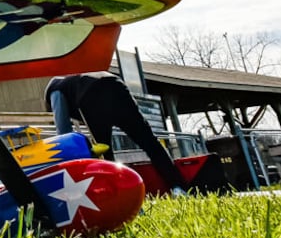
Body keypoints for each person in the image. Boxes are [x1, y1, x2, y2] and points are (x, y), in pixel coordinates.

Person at [45, 71, 190, 195]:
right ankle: (179, 187)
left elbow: (64, 132)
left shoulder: (54, 89)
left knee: (105, 153)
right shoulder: (73, 82)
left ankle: (122, 195)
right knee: (150, 142)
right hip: (116, 85)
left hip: (93, 96)